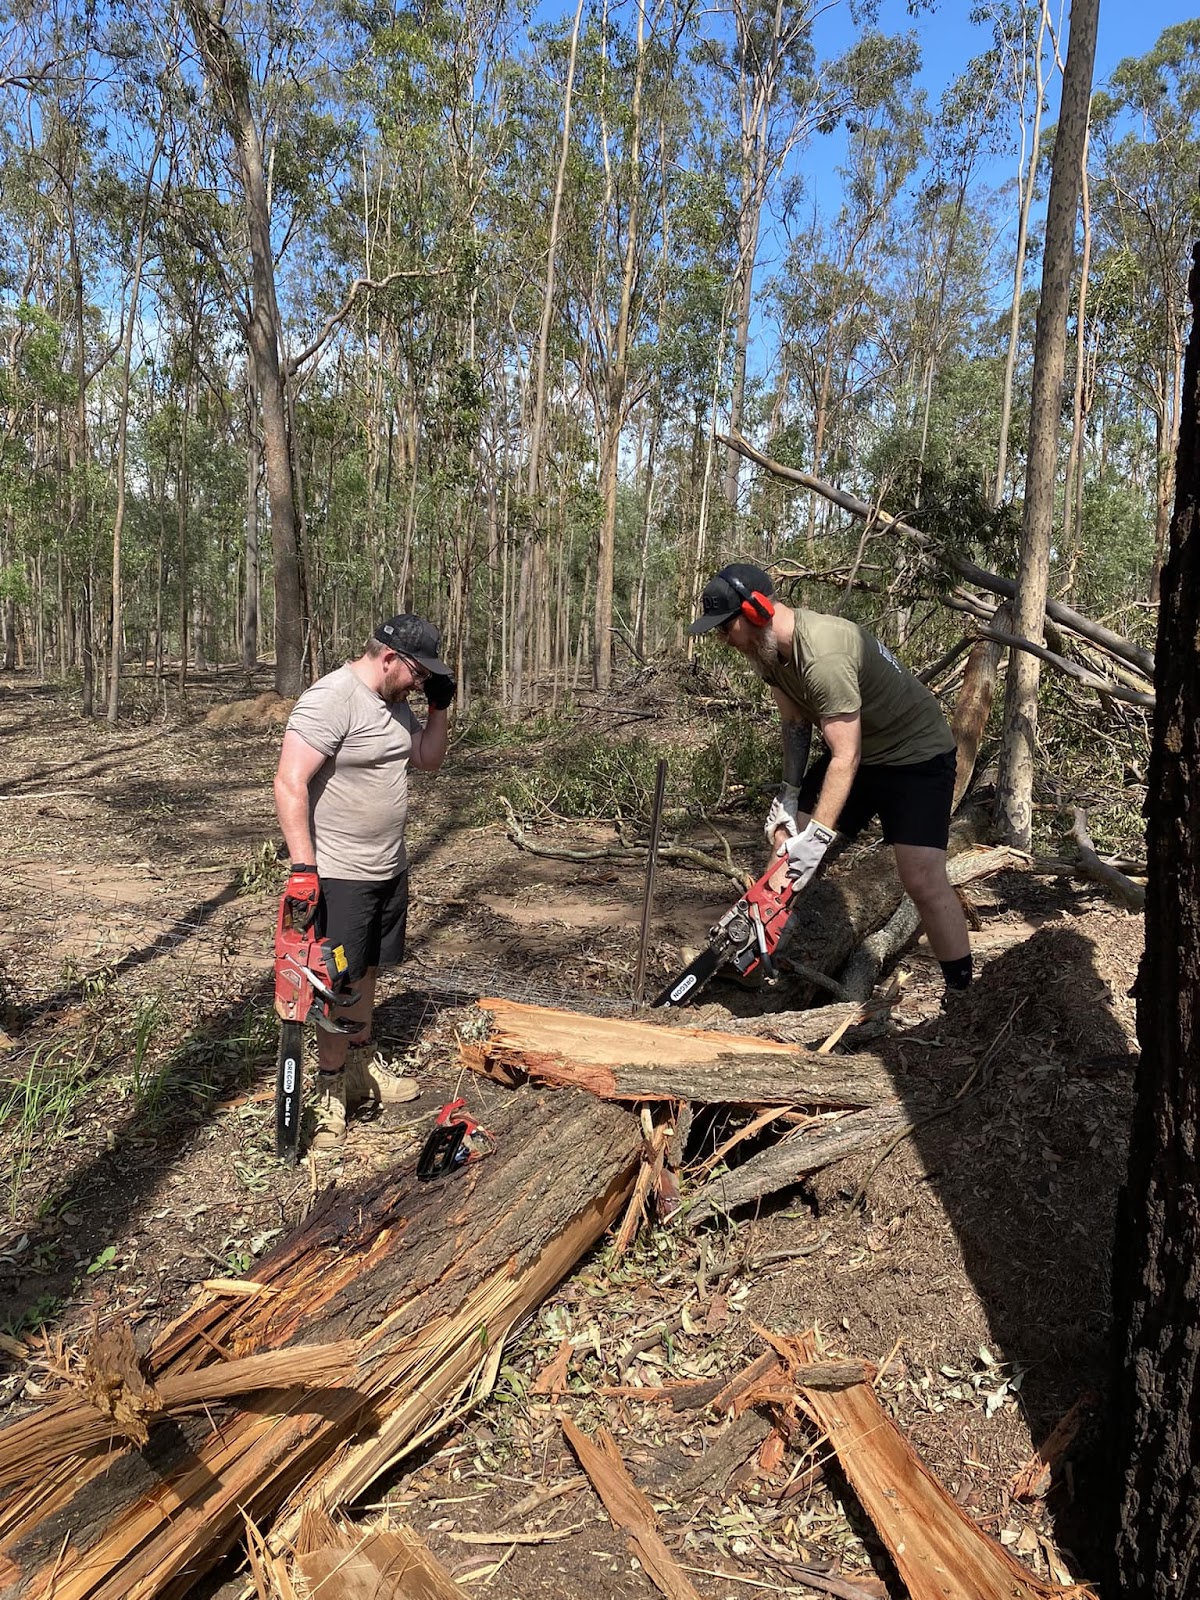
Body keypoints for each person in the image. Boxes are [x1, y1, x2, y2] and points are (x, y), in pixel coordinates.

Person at [690, 562, 972, 998]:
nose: (723, 639)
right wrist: (788, 798)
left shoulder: (823, 655)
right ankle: (750, 952)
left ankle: (962, 991)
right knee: (786, 841)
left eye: (726, 627)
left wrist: (817, 839)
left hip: (916, 755)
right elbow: (795, 725)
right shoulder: (766, 651)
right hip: (860, 750)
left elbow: (846, 755)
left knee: (921, 879)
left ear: (757, 611)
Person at [273, 614, 455, 1151]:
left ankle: (359, 1070)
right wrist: (304, 867)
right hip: (339, 875)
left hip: (387, 868)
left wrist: (439, 708)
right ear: (389, 657)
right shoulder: (332, 698)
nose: (421, 682)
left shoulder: (396, 703)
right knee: (337, 981)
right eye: (419, 673)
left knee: (369, 970)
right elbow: (289, 781)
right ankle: (328, 1092)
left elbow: (427, 759)